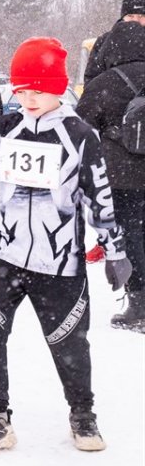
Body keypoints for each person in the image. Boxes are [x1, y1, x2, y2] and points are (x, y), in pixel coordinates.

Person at [0, 37, 129, 454]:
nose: (29, 98)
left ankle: (82, 413)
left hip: (60, 265)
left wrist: (115, 250)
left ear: (58, 87)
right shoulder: (5, 129)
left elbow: (99, 197)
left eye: (38, 89)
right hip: (8, 255)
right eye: (21, 90)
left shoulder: (80, 135)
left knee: (69, 343)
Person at [75, 20, 145, 333]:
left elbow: (80, 124)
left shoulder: (104, 82)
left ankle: (139, 302)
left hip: (122, 176)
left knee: (131, 236)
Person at [84, 0, 145, 84]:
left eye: (141, 16)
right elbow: (92, 77)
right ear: (123, 17)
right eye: (130, 16)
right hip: (111, 95)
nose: (135, 20)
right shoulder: (105, 41)